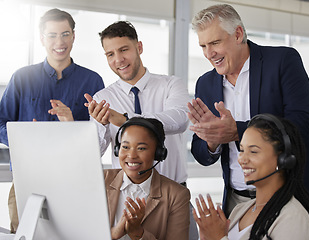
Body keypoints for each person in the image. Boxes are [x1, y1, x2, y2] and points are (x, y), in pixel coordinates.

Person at [188, 3, 309, 216]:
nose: (209, 53)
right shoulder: (205, 84)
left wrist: (238, 131)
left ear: (238, 34)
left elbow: (301, 124)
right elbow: (202, 154)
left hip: (291, 194)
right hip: (237, 199)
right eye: (203, 46)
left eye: (215, 42)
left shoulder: (282, 61)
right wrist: (212, 141)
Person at [0, 8, 104, 232]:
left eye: (65, 34)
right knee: (23, 234)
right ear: (41, 38)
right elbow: (1, 122)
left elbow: (100, 137)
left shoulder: (93, 81)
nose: (60, 41)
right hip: (27, 176)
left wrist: (72, 124)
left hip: (74, 179)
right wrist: (24, 138)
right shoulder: (21, 78)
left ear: (74, 36)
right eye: (52, 35)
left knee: (72, 234)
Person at [84, 21, 189, 185]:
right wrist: (102, 125)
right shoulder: (102, 99)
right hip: (126, 196)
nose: (118, 60)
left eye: (124, 50)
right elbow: (91, 154)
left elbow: (179, 121)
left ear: (139, 47)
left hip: (173, 193)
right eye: (110, 54)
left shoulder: (171, 84)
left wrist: (126, 120)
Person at [193, 114, 309, 240]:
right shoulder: (240, 210)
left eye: (253, 151)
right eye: (241, 150)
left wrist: (218, 237)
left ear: (283, 159)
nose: (242, 159)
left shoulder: (293, 218)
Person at [105, 117, 190, 240]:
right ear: (117, 150)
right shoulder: (100, 180)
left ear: (158, 153)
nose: (132, 155)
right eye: (125, 147)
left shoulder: (176, 195)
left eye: (141, 148)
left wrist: (138, 233)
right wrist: (113, 234)